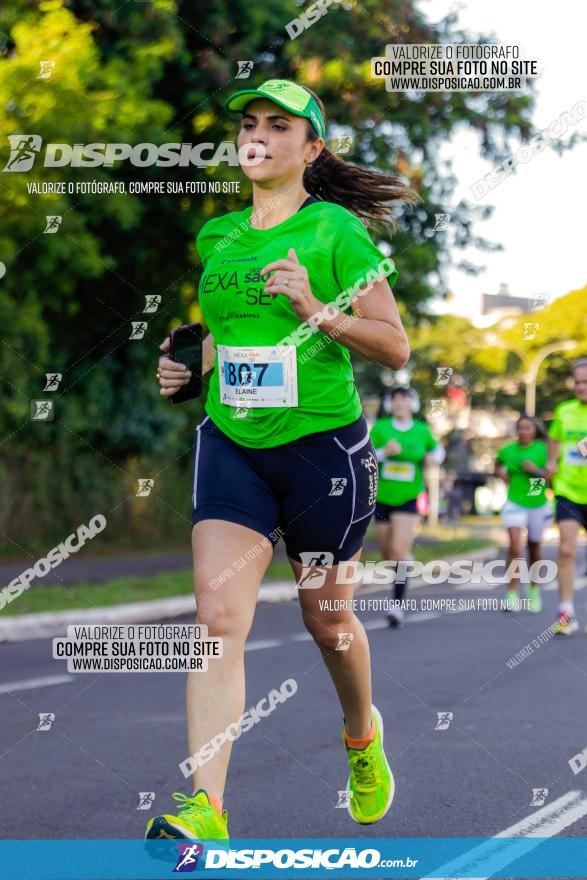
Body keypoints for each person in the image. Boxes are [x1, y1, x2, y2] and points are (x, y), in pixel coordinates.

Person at [147, 78, 419, 842]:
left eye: (278, 125)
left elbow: (395, 346)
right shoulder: (217, 237)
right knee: (215, 618)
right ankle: (207, 808)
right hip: (232, 442)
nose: (257, 134)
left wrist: (314, 309)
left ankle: (361, 737)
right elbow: (222, 337)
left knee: (327, 621)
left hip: (321, 451)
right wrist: (186, 369)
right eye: (249, 123)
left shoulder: (335, 232)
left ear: (311, 147)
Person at [370, 387, 445, 628]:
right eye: (395, 399)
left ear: (412, 404)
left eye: (404, 399)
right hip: (382, 497)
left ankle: (397, 606)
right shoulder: (381, 428)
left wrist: (434, 459)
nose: (399, 403)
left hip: (409, 498)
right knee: (387, 554)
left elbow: (438, 450)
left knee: (399, 552)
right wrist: (384, 452)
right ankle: (404, 563)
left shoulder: (422, 430)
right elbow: (367, 455)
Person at [545, 358, 587, 635]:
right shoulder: (564, 411)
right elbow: (555, 441)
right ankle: (566, 611)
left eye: (586, 382)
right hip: (568, 490)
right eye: (578, 381)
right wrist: (551, 462)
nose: (581, 387)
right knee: (567, 549)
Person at [495, 415, 551, 613]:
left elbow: (551, 477)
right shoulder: (506, 450)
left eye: (527, 428)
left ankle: (534, 589)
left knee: (534, 547)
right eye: (520, 428)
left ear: (534, 431)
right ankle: (511, 593)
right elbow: (497, 467)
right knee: (515, 547)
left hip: (537, 501)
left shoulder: (543, 449)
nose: (523, 432)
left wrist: (535, 470)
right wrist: (501, 474)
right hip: (514, 501)